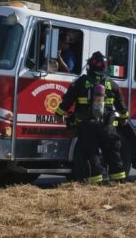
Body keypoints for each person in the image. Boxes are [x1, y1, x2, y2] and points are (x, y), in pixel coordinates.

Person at [55, 51, 130, 184]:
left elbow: (67, 100)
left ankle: (96, 182)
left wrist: (59, 114)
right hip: (107, 125)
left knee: (91, 152)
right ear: (105, 67)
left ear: (90, 65)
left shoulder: (81, 82)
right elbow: (122, 106)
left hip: (87, 125)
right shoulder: (111, 84)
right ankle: (118, 181)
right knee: (113, 151)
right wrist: (123, 118)